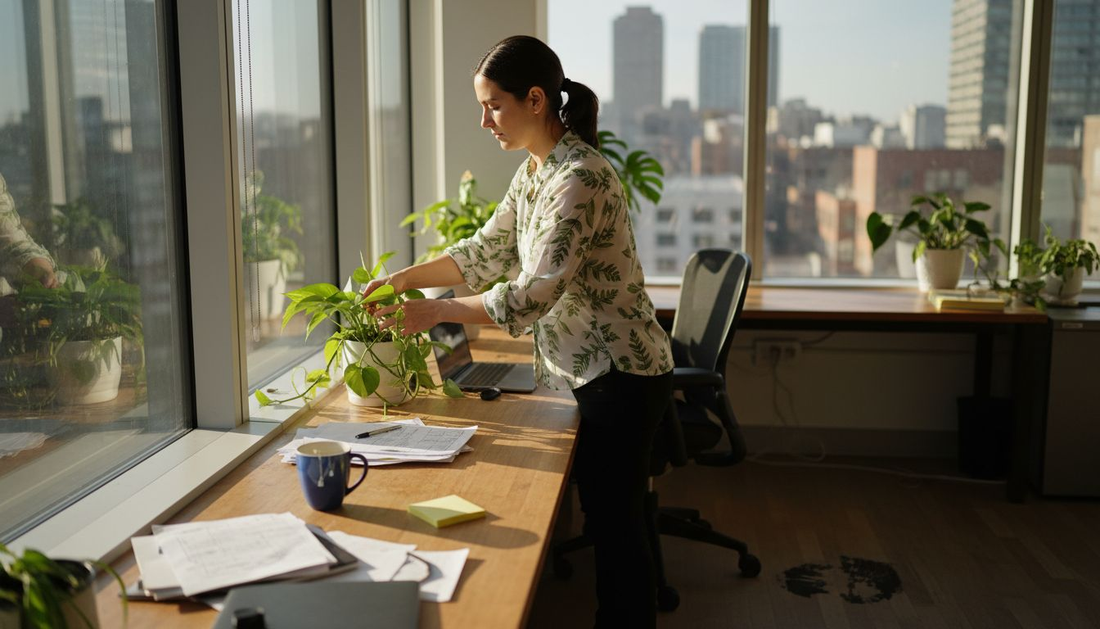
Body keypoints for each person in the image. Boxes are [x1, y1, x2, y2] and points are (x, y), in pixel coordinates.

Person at [365, 35, 673, 627]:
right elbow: (484, 251)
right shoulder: (537, 172)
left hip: (620, 376)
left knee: (616, 530)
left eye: (494, 106)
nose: (484, 121)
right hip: (585, 371)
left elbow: (535, 292)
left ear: (536, 100)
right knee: (609, 521)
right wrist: (402, 279)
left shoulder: (579, 177)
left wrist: (436, 312)